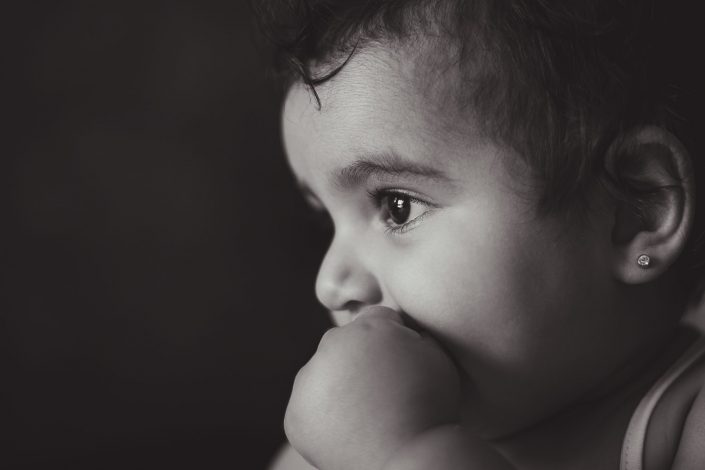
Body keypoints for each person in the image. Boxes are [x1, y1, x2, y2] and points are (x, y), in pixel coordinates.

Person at [256, 1, 705, 468]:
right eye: (327, 220)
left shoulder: (691, 423)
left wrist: (394, 451)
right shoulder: (335, 442)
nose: (331, 283)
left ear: (634, 209)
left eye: (397, 206)